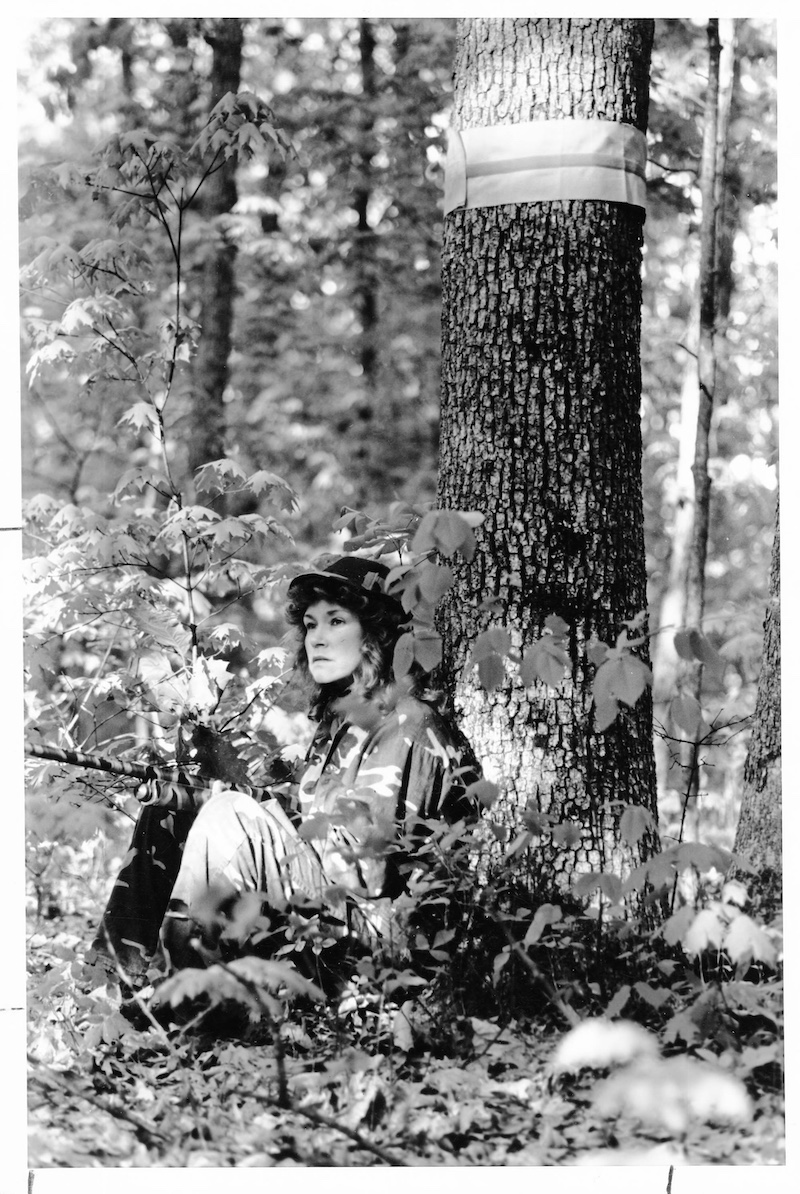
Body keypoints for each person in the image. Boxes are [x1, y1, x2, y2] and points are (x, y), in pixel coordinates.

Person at [91, 555, 481, 984]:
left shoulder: (406, 721)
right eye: (311, 625)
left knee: (229, 818)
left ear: (376, 632)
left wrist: (247, 815)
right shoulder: (343, 719)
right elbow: (303, 823)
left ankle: (190, 1006)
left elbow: (366, 870)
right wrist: (196, 794)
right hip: (329, 912)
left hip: (381, 943)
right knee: (169, 814)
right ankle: (114, 985)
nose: (317, 638)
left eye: (336, 622)